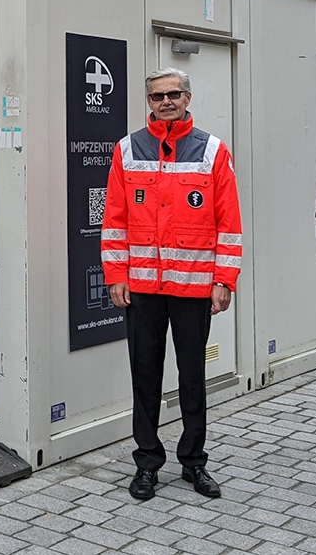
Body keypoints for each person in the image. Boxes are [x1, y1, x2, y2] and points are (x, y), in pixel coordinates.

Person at [100, 67, 241, 502]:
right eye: (157, 96)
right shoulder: (127, 150)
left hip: (194, 289)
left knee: (193, 377)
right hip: (141, 288)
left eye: (174, 94)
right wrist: (116, 276)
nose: (166, 101)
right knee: (144, 377)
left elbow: (228, 222)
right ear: (148, 102)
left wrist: (224, 280)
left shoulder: (212, 150)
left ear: (187, 97)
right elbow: (114, 222)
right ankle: (146, 463)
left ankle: (193, 463)